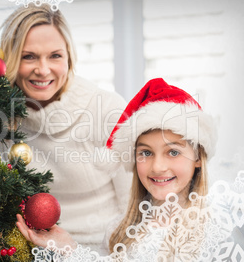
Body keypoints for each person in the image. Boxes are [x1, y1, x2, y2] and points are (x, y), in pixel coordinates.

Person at [16, 78, 218, 259]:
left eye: (173, 152)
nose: (157, 167)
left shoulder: (217, 227)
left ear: (198, 156)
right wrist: (69, 247)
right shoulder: (120, 231)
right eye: (146, 153)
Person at [0, 4, 131, 250]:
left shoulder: (105, 108)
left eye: (55, 55)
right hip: (27, 249)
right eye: (29, 56)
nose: (43, 69)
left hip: (103, 248)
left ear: (69, 57)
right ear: (11, 60)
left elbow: (134, 207)